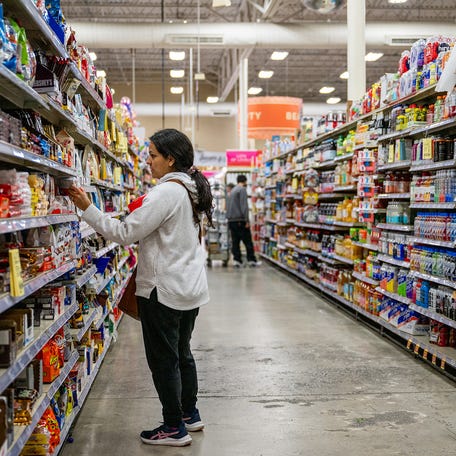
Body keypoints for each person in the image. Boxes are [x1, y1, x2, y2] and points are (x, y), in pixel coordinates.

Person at [68, 128, 213, 447]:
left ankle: (174, 428)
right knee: (182, 353)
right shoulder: (191, 189)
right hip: (190, 287)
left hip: (165, 290)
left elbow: (124, 232)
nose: (148, 161)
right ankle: (190, 413)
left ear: (170, 159)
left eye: (152, 155)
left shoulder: (165, 193)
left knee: (164, 360)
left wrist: (86, 207)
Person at [226, 174, 261, 268]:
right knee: (247, 241)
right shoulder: (242, 190)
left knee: (235, 241)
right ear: (245, 181)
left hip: (231, 220)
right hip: (240, 220)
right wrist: (247, 220)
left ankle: (237, 260)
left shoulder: (233, 190)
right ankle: (251, 260)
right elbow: (244, 206)